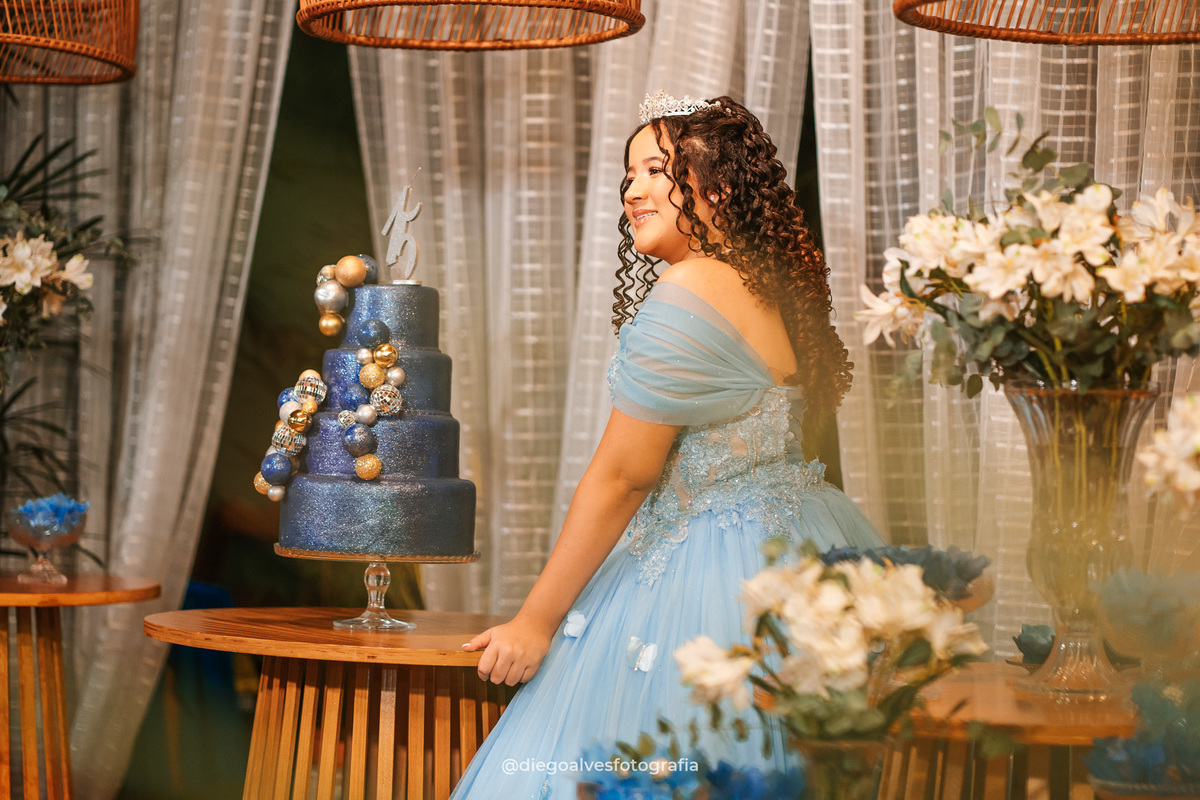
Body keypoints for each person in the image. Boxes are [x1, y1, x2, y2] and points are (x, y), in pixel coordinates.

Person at [449, 93, 883, 798]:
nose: (633, 189)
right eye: (629, 175)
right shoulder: (764, 285)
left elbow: (623, 476)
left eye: (657, 169)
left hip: (706, 575)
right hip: (797, 549)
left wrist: (534, 622)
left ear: (719, 188)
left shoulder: (690, 290)